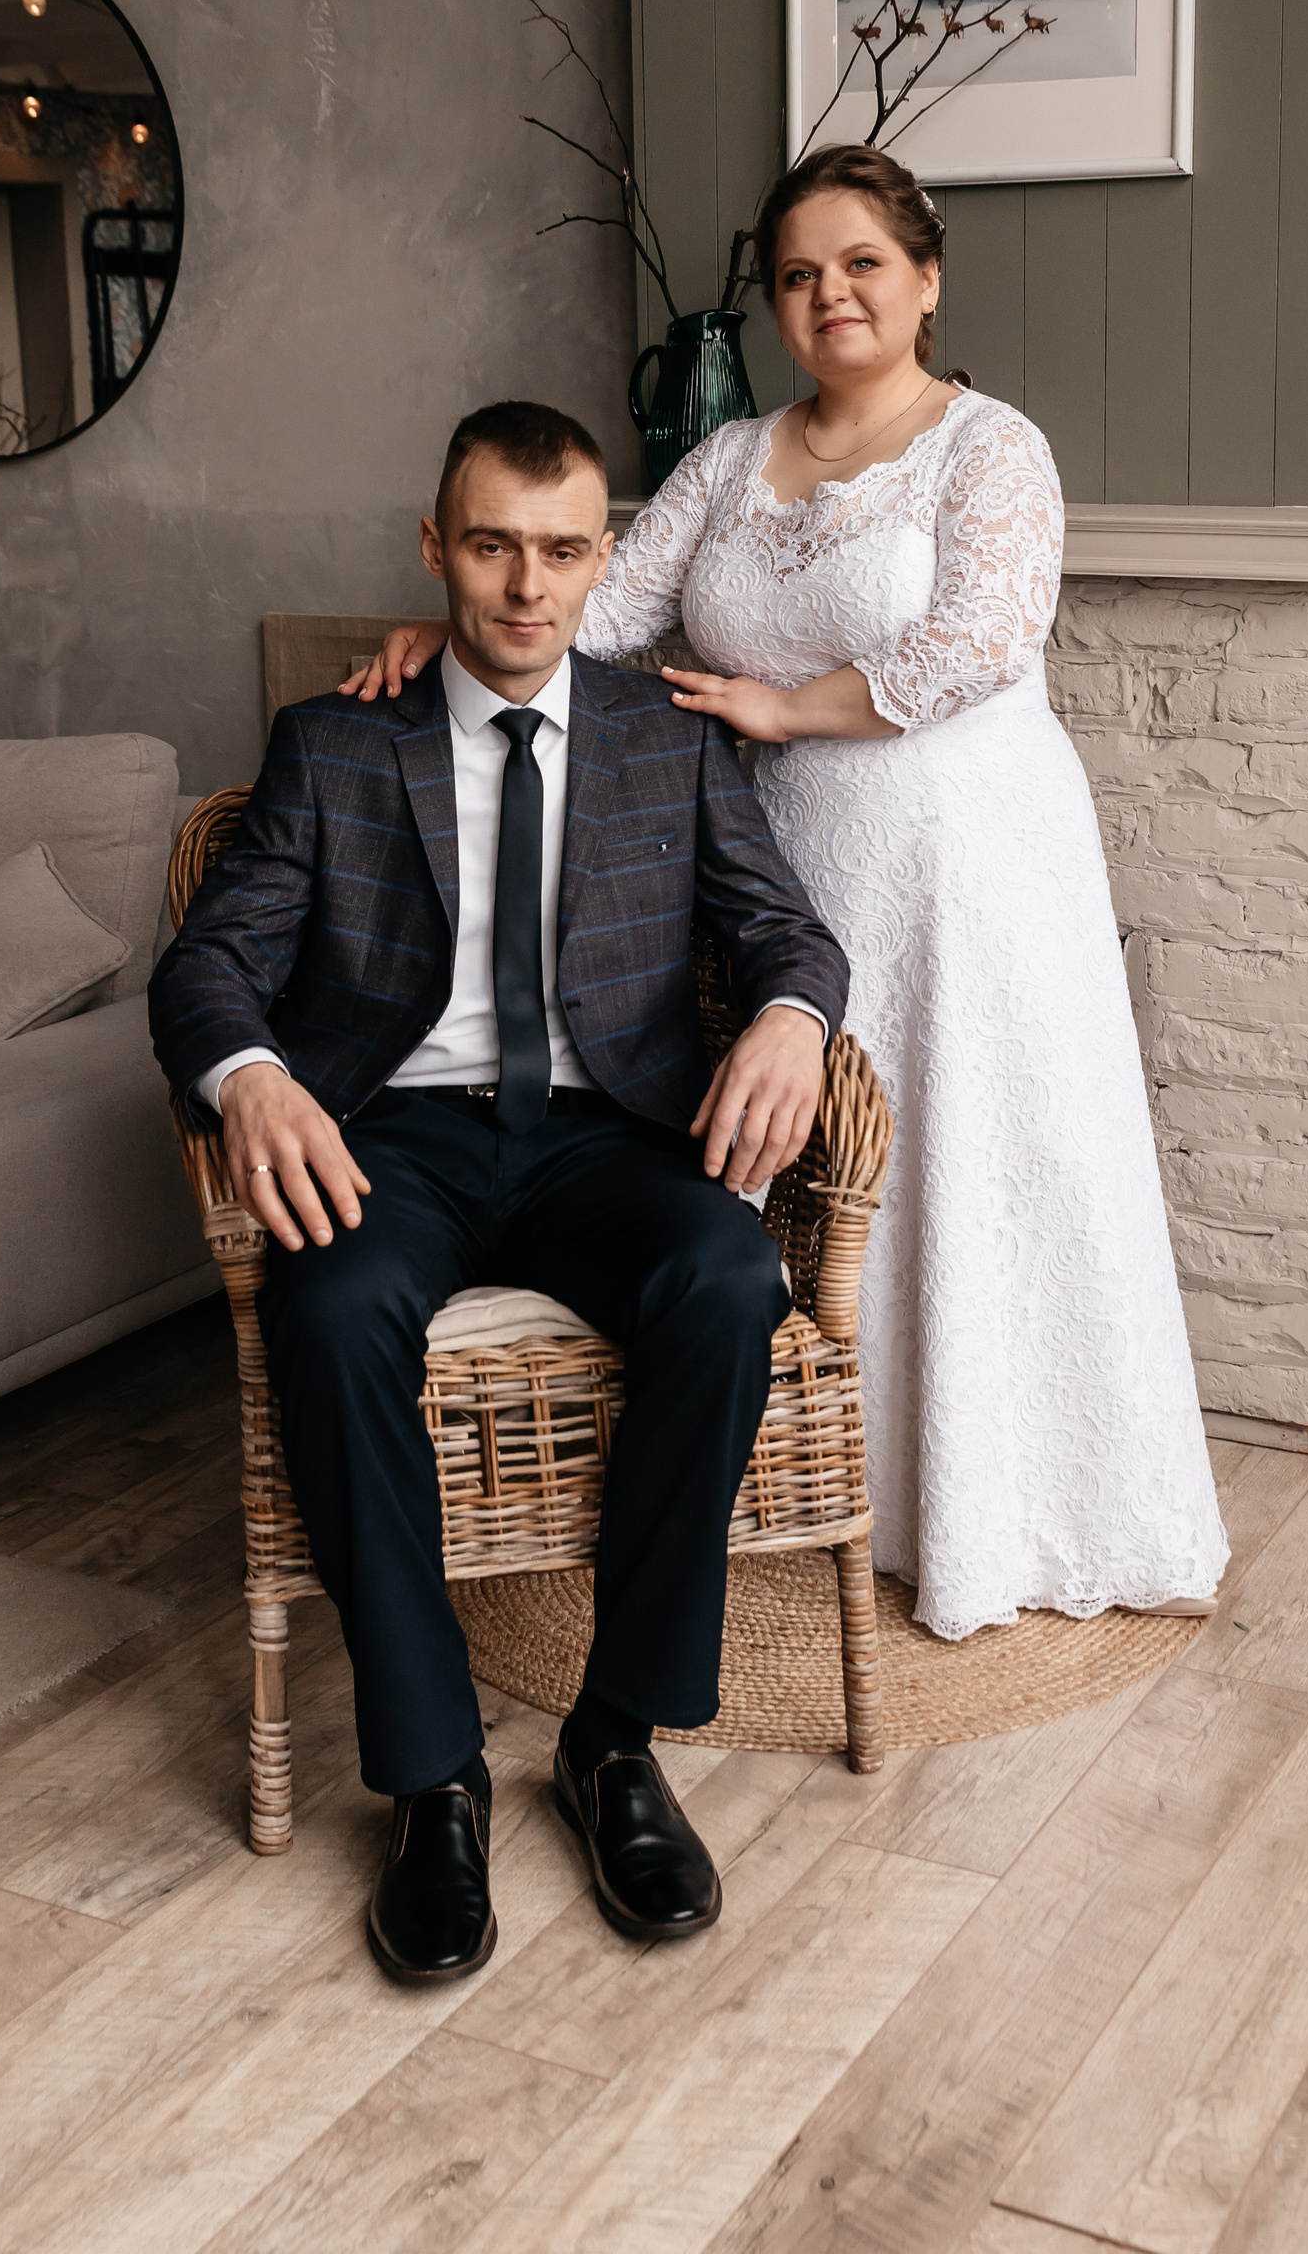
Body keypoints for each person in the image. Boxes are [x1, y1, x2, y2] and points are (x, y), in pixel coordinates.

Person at [347, 142, 1229, 1639]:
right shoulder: (728, 460)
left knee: (969, 1158)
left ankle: (1000, 1508)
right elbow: (599, 609)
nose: (832, 295)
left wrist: (781, 709)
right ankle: (801, 1484)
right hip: (787, 859)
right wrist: (458, 630)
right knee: (805, 1165)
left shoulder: (989, 447)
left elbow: (986, 636)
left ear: (926, 281)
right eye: (801, 274)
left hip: (967, 857)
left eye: (862, 264)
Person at [152, 399, 849, 1985]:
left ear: (603, 559)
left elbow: (785, 930)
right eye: (490, 547)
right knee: (327, 1305)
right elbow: (208, 963)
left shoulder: (665, 736)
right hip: (392, 1132)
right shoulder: (336, 741)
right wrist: (250, 1079)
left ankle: (614, 1742)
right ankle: (434, 1781)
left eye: (560, 551)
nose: (527, 587)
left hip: (609, 1132)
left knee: (728, 1278)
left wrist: (796, 1022)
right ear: (434, 548)